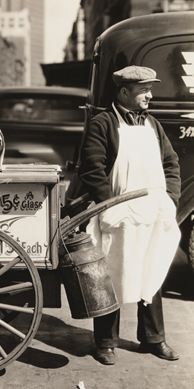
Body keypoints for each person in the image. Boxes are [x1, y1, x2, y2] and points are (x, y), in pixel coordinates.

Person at [78, 65, 181, 365]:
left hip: (151, 214)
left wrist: (170, 198)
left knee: (152, 271)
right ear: (124, 92)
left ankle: (153, 339)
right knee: (111, 274)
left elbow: (171, 163)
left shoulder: (153, 126)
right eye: (144, 90)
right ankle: (105, 342)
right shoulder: (103, 123)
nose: (150, 95)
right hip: (117, 216)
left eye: (150, 89)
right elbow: (91, 169)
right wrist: (110, 204)